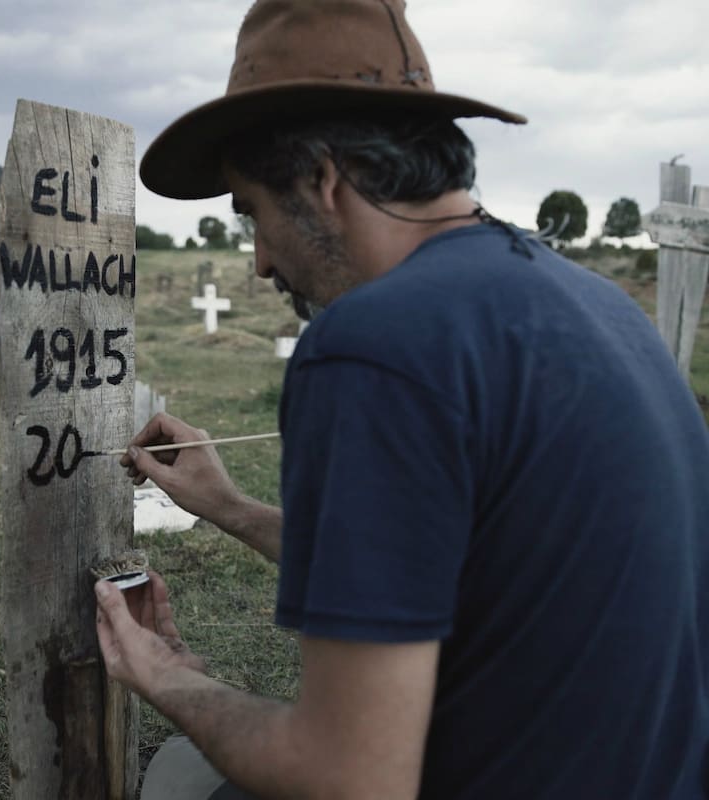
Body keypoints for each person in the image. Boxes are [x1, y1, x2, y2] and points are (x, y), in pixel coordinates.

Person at [93, 1, 709, 798]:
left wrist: (165, 676)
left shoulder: (372, 344)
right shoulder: (602, 306)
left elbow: (348, 778)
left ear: (322, 178)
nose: (262, 262)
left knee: (176, 778)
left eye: (254, 215)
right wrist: (232, 508)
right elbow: (458, 571)